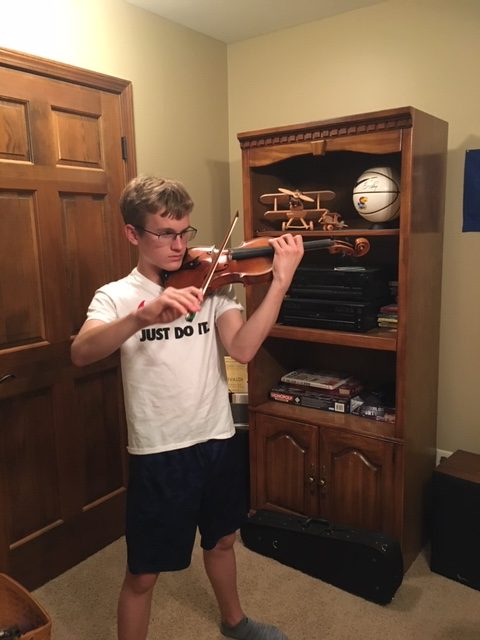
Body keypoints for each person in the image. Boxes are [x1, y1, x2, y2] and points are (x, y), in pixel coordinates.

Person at [71, 175, 304, 640]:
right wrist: (141, 315)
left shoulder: (215, 285)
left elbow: (242, 348)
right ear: (133, 234)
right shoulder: (116, 296)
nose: (180, 247)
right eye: (166, 234)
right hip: (159, 451)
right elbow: (80, 351)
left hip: (216, 438)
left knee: (222, 540)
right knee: (143, 574)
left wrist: (278, 284)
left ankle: (235, 622)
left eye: (185, 233)